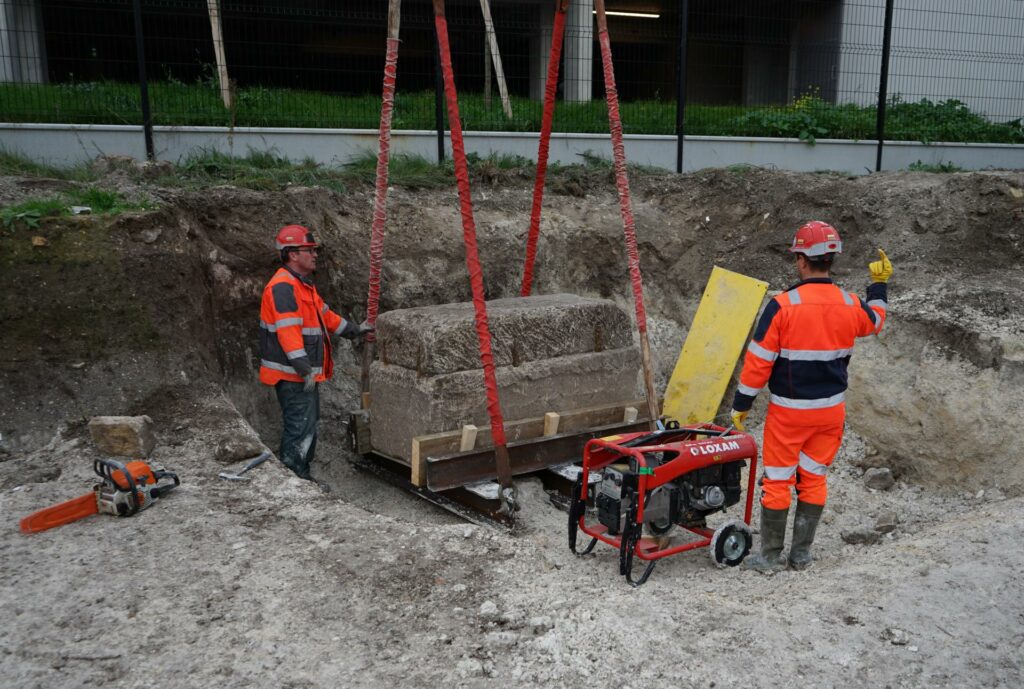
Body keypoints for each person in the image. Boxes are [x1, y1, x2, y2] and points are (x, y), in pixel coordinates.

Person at [730, 220, 892, 572]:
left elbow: (758, 363)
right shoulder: (851, 304)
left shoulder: (783, 305)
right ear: (830, 260)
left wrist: (742, 404)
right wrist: (878, 285)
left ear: (802, 260)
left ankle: (770, 556)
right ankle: (801, 555)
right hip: (831, 413)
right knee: (813, 477)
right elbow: (876, 320)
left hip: (789, 414)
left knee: (777, 480)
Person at [258, 224, 372, 480]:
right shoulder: (283, 287)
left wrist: (355, 329)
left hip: (300, 373)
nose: (315, 254)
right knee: (300, 427)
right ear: (292, 254)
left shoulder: (302, 286)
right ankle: (296, 478)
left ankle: (299, 475)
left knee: (307, 425)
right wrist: (304, 369)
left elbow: (326, 317)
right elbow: (288, 332)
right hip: (293, 375)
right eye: (309, 250)